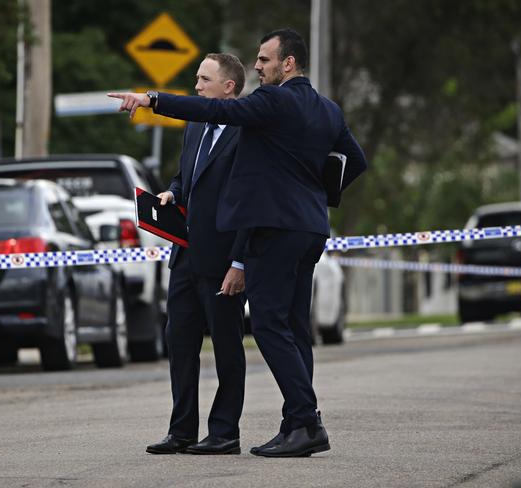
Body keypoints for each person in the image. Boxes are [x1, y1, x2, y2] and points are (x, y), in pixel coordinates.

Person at [110, 28, 368, 457]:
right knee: (293, 328)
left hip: (275, 230)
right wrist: (316, 193)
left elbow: (209, 108)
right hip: (310, 228)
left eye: (265, 59)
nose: (258, 66)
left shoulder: (274, 100)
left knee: (267, 325)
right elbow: (353, 161)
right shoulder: (328, 109)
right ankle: (297, 424)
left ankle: (307, 421)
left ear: (288, 63)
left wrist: (152, 99)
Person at [145, 53, 248, 456]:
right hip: (185, 257)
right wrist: (173, 192)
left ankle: (225, 433)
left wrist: (239, 262)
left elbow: (248, 201)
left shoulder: (246, 132)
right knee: (180, 342)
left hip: (223, 261)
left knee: (226, 347)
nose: (197, 86)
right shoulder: (195, 125)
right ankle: (181, 430)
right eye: (196, 79)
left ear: (229, 87)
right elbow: (184, 176)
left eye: (205, 79)